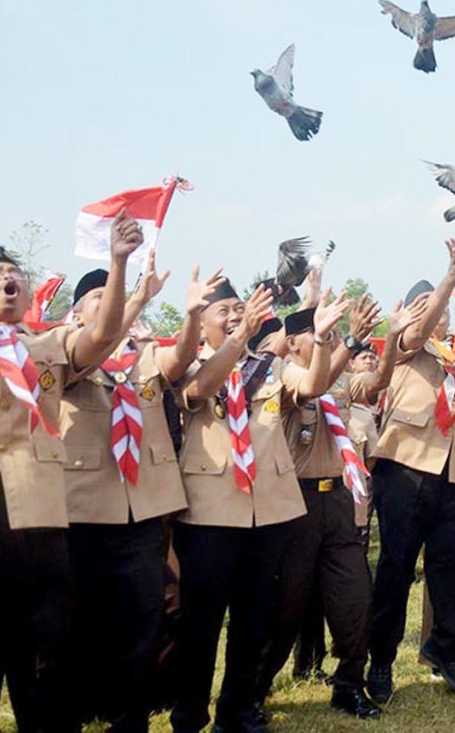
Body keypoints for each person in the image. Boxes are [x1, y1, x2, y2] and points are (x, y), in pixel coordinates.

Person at [0, 135, 142, 731]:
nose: (10, 279)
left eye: (15, 271)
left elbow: (102, 337)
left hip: (36, 518)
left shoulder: (48, 348)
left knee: (44, 661)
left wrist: (119, 264)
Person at [170, 281, 350, 733]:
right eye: (225, 311)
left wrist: (323, 340)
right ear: (204, 321)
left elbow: (311, 384)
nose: (235, 316)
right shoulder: (188, 363)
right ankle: (189, 713)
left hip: (267, 511)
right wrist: (238, 337)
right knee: (201, 623)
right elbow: (198, 392)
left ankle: (237, 710)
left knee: (254, 619)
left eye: (240, 309)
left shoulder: (270, 368)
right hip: (208, 513)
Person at [60, 257, 222, 732]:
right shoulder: (66, 353)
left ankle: (131, 718)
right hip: (83, 510)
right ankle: (73, 710)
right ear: (76, 315)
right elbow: (97, 343)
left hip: (142, 511)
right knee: (77, 622)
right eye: (98, 297)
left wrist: (191, 316)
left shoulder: (145, 359)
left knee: (142, 619)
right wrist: (132, 298)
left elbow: (181, 360)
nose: (110, 303)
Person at [258, 295, 413, 720]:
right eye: (312, 333)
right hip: (296, 503)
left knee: (354, 598)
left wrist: (390, 336)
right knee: (285, 606)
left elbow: (377, 383)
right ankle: (254, 687)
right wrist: (343, 338)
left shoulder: (343, 378)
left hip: (339, 501)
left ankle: (349, 684)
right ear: (292, 344)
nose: (319, 339)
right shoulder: (281, 375)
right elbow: (314, 385)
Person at [366, 240, 455, 703]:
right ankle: (381, 659)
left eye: (441, 312)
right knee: (395, 566)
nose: (438, 319)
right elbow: (414, 335)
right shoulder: (404, 346)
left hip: (452, 472)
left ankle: (445, 649)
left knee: (448, 567)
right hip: (406, 466)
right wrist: (448, 278)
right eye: (427, 310)